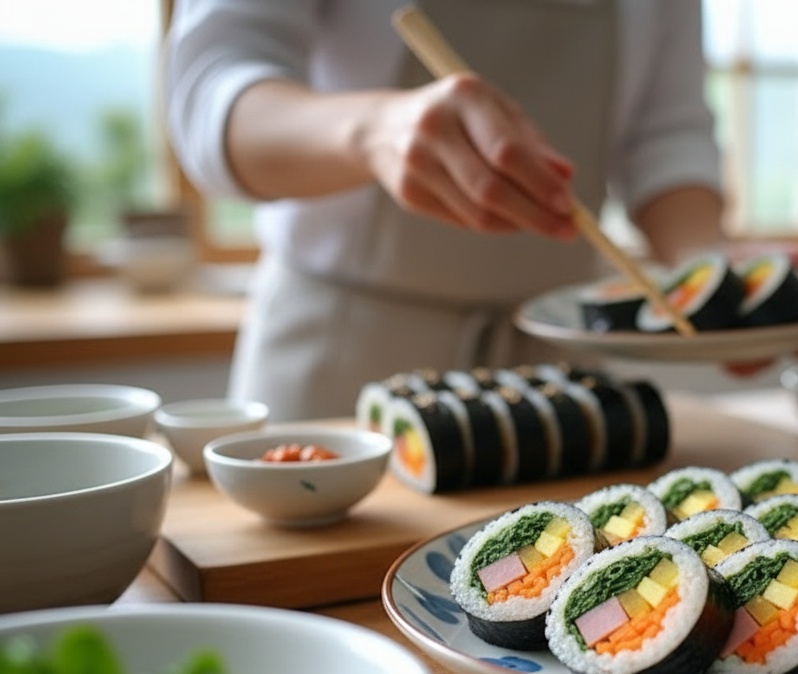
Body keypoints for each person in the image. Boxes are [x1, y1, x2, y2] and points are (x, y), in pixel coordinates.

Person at [163, 0, 733, 421]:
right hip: (337, 370)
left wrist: (710, 279)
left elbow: (667, 132)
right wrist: (373, 130)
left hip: (557, 380)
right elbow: (211, 93)